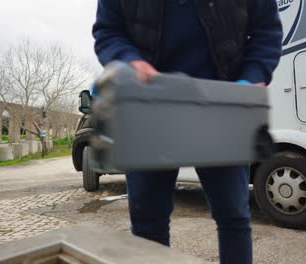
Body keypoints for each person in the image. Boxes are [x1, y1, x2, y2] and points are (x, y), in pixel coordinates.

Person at [92, 1, 282, 263]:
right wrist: (129, 59)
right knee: (147, 221)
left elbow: (266, 31)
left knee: (234, 216)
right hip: (148, 108)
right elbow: (108, 32)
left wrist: (251, 78)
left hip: (223, 107)